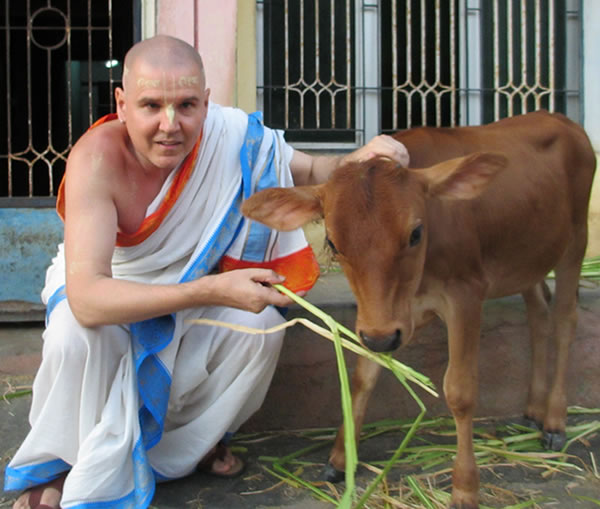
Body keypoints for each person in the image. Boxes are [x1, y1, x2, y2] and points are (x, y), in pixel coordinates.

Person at [4, 35, 409, 509]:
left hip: (194, 289)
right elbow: (90, 299)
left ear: (207, 102)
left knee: (259, 327)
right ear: (121, 103)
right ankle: (63, 466)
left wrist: (359, 160)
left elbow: (314, 168)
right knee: (78, 334)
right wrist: (213, 288)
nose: (170, 126)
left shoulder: (231, 134)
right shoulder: (95, 159)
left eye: (187, 105)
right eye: (151, 105)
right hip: (114, 294)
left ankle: (173, 453)